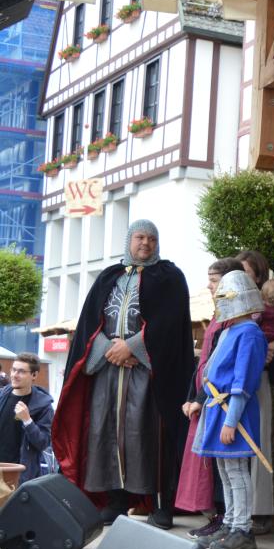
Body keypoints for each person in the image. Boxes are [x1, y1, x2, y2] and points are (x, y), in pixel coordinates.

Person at [53, 220, 193, 528]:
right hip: (107, 371)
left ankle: (160, 505)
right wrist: (109, 350)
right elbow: (90, 322)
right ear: (129, 240)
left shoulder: (170, 277)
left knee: (150, 437)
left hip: (149, 374)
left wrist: (131, 348)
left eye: (152, 239)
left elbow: (170, 324)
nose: (146, 243)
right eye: (140, 237)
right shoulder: (108, 276)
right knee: (105, 434)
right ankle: (115, 501)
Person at [193, 270, 268, 549]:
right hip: (217, 408)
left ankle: (242, 529)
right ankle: (231, 522)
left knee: (236, 471)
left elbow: (242, 380)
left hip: (232, 411)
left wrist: (231, 419)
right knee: (225, 472)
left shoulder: (249, 332)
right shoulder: (229, 330)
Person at [177, 257, 246, 536]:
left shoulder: (240, 325)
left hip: (224, 402)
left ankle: (235, 523)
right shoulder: (220, 319)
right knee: (219, 466)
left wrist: (202, 396)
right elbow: (205, 364)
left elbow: (226, 372)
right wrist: (194, 394)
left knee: (230, 470)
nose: (209, 285)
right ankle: (224, 518)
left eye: (215, 280)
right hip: (210, 400)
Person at [235, 250, 274, 534]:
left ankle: (262, 510)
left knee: (263, 444)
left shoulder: (270, 309)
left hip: (266, 380)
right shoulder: (237, 302)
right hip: (239, 381)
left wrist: (271, 348)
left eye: (248, 271)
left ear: (258, 275)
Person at [0, 353, 54, 484]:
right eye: (13, 369)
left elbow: (43, 443)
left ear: (34, 375)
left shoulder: (43, 406)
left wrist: (28, 421)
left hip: (19, 473)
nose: (15, 375)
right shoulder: (2, 396)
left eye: (21, 371)